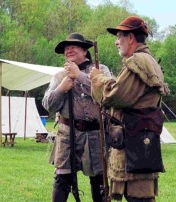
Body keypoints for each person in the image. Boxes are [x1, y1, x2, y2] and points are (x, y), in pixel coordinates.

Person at [90, 16, 170, 202]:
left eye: (119, 37)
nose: (116, 42)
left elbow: (114, 96)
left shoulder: (138, 62)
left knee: (139, 197)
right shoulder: (145, 60)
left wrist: (97, 78)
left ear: (131, 38)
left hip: (135, 144)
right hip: (137, 141)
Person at [42, 33, 111, 202]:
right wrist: (61, 89)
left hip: (95, 134)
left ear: (84, 51)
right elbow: (48, 105)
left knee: (98, 181)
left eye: (73, 46)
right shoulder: (59, 77)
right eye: (66, 48)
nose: (68, 50)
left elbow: (108, 93)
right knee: (62, 180)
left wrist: (79, 76)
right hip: (67, 135)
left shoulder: (100, 70)